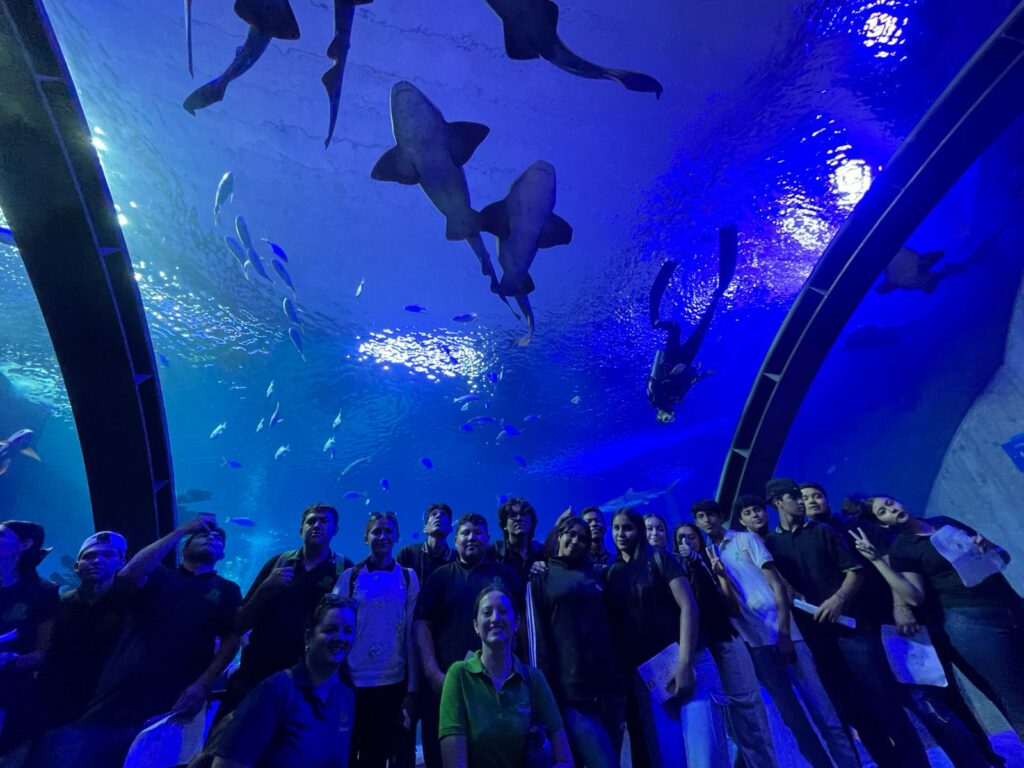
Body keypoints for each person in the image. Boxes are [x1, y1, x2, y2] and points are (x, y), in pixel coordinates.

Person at [33, 515, 242, 768]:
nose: (211, 537)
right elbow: (129, 574)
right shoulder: (159, 575)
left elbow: (232, 638)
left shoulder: (228, 590)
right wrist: (182, 530)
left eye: (218, 538)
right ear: (183, 548)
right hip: (114, 698)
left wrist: (204, 684)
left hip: (173, 703)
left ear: (222, 555)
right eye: (202, 535)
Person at [763, 478, 929, 768]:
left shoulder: (822, 530)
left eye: (805, 496)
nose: (802, 501)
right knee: (855, 712)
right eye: (794, 496)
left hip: (854, 630)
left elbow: (855, 571)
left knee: (886, 702)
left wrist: (838, 599)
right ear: (777, 502)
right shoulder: (771, 544)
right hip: (818, 640)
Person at [691, 502, 858, 768]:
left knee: (823, 711)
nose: (707, 520)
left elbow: (777, 586)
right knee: (793, 719)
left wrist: (784, 633)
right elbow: (731, 607)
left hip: (785, 634)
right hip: (755, 645)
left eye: (711, 514)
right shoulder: (709, 556)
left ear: (721, 516)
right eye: (701, 517)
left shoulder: (745, 539)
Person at [856, 495, 1024, 740]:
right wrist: (877, 561)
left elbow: (1002, 556)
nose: (891, 510)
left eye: (890, 504)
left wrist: (989, 547)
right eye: (883, 512)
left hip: (1010, 604)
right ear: (883, 523)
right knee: (1016, 695)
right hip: (973, 622)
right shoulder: (903, 548)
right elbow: (914, 597)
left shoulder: (943, 522)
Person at [604, 507, 728, 768]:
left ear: (639, 530)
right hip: (654, 677)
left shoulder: (660, 558)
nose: (621, 534)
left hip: (692, 661)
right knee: (672, 760)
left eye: (627, 528)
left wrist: (684, 663)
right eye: (616, 528)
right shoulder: (612, 573)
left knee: (706, 757)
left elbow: (688, 607)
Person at [219, 503, 353, 722]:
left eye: (324, 521)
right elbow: (240, 623)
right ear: (301, 529)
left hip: (310, 678)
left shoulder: (343, 569)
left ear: (335, 530)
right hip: (258, 673)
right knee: (230, 735)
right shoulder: (279, 563)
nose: (317, 525)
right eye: (311, 521)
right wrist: (265, 589)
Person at [192, 593, 357, 768]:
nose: (340, 638)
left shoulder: (345, 696)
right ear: (309, 636)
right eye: (330, 629)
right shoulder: (276, 691)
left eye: (348, 631)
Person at [414, 514, 522, 768]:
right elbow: (421, 625)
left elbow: (523, 623)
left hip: (498, 689)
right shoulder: (440, 577)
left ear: (488, 539)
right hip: (445, 685)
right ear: (456, 540)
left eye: (478, 532)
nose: (472, 537)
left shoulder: (505, 575)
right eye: (465, 532)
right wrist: (433, 674)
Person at [676, 513, 780, 768]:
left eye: (691, 537)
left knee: (749, 710)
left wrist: (720, 575)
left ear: (699, 540)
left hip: (726, 639)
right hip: (702, 650)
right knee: (723, 722)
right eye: (680, 538)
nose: (686, 542)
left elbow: (731, 608)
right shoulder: (674, 572)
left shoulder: (711, 564)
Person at [527, 516, 625, 768]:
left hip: (611, 688)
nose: (576, 541)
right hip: (572, 694)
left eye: (583, 538)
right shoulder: (541, 577)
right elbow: (537, 643)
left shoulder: (598, 575)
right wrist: (541, 697)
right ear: (558, 536)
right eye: (570, 534)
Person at [15, 532, 130, 745]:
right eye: (89, 556)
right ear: (77, 566)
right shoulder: (59, 605)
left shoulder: (132, 606)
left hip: (111, 710)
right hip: (56, 707)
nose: (97, 560)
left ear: (122, 562)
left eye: (107, 555)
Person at [439, 585, 571, 768]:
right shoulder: (459, 675)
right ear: (476, 625)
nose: (495, 619)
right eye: (487, 613)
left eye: (503, 611)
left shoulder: (534, 679)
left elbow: (564, 759)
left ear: (517, 622)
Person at [333, 512, 419, 768]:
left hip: (391, 683)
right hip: (350, 682)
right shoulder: (350, 577)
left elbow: (410, 633)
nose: (382, 536)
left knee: (376, 756)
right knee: (342, 755)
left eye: (388, 531)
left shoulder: (408, 577)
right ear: (366, 537)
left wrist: (412, 689)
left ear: (397, 536)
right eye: (376, 532)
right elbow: (334, 627)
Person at [647, 226, 736, 424]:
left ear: (660, 416)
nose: (670, 416)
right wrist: (704, 375)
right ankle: (716, 295)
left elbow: (657, 383)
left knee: (674, 328)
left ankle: (656, 321)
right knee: (702, 328)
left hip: (671, 360)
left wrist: (670, 379)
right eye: (670, 419)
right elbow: (689, 383)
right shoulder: (677, 400)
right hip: (686, 360)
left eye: (665, 418)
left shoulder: (656, 400)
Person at [0, 521, 58, 749]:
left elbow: (42, 653)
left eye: (1, 535)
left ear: (25, 545)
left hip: (9, 696)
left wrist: (11, 659)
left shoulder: (42, 592)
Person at [396, 503, 456, 587]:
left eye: (443, 514)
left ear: (450, 528)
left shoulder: (457, 559)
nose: (438, 516)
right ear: (425, 528)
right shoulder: (407, 553)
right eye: (433, 514)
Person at [488, 498, 544, 582]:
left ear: (531, 523)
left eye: (523, 514)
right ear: (505, 525)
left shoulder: (540, 551)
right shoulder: (494, 551)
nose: (518, 518)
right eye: (512, 515)